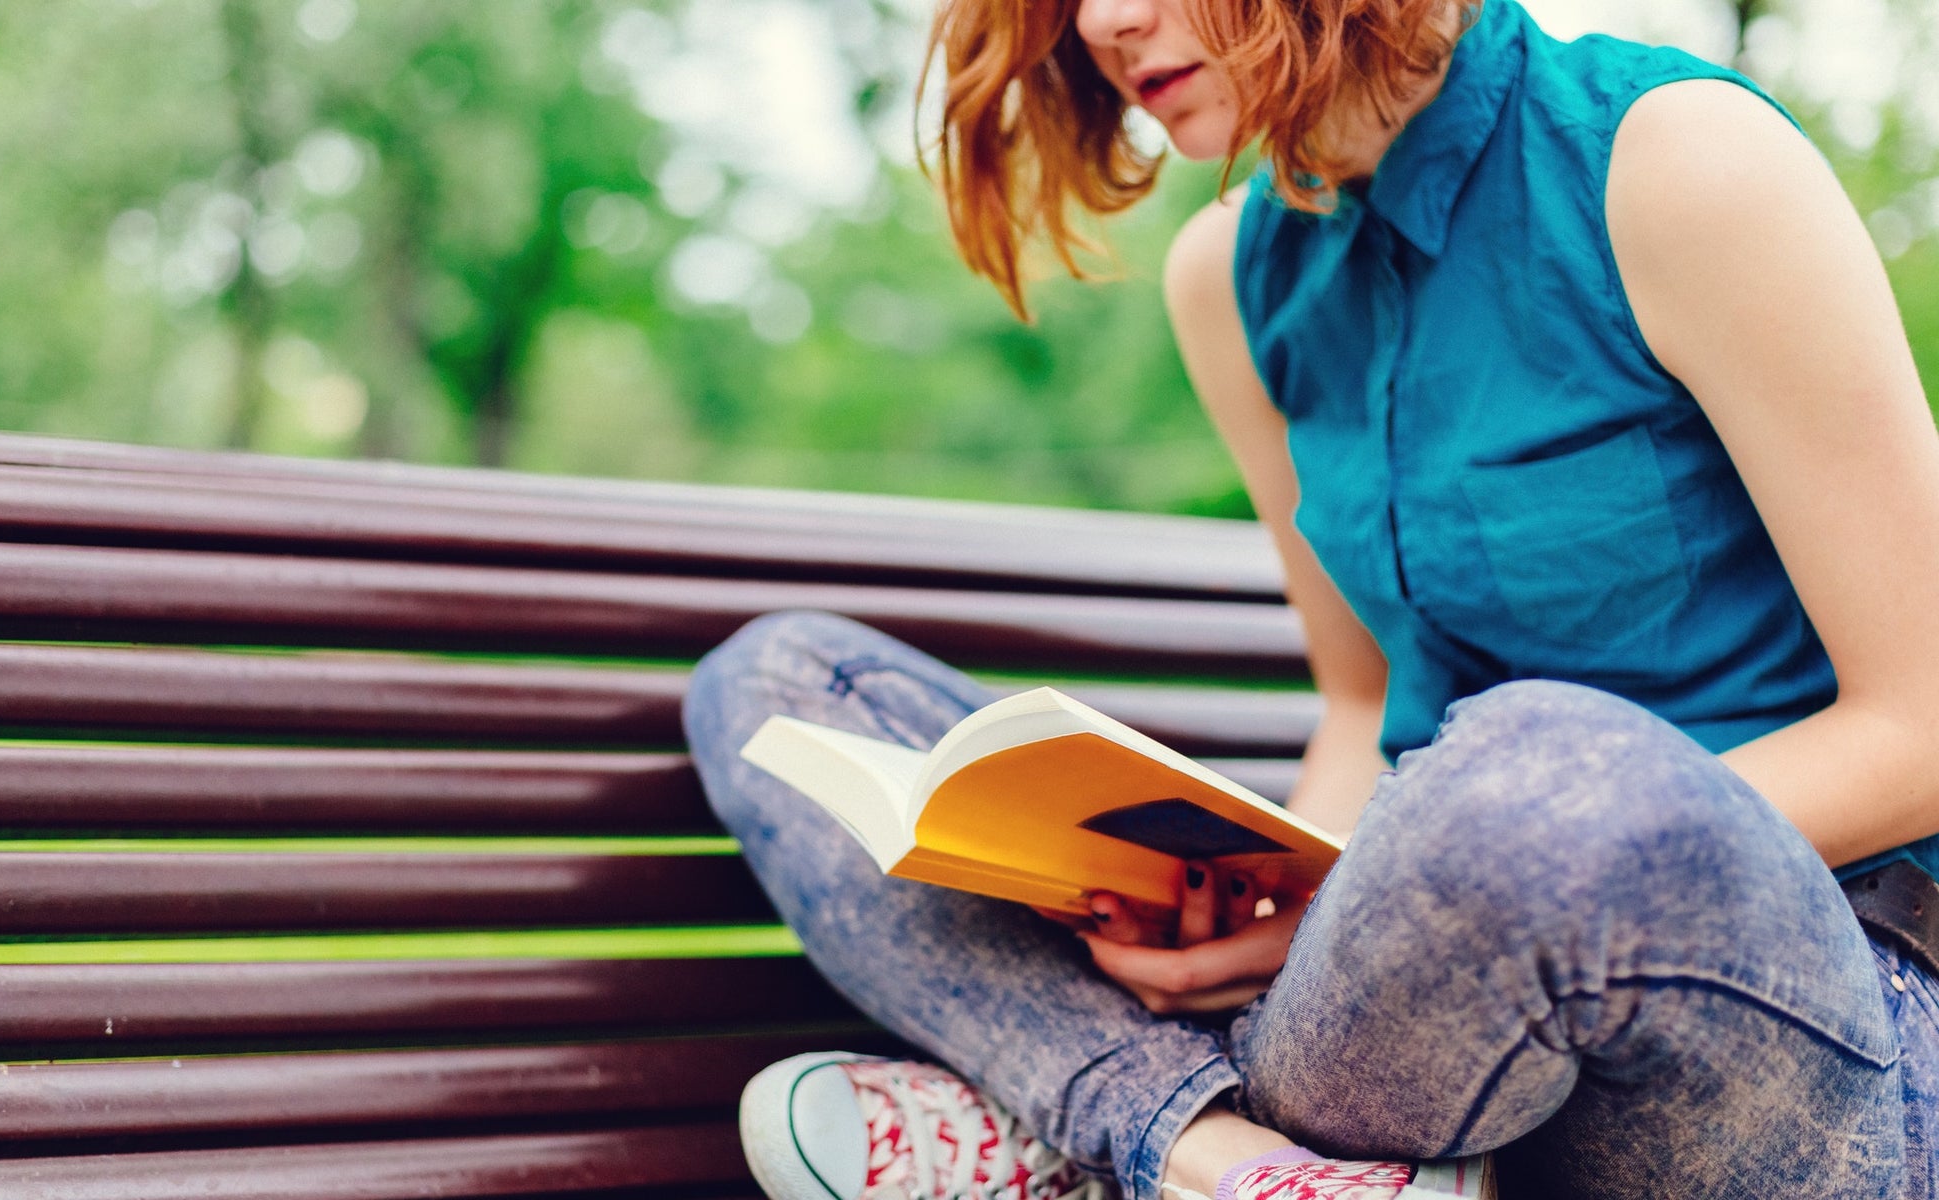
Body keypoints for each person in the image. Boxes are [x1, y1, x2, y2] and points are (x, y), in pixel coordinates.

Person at [683, 0, 1939, 1195]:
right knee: (777, 693)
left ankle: (1079, 1144)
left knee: (1536, 771)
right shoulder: (1227, 276)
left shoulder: (1675, 162)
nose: (1105, 22)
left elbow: (1923, 728)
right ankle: (1207, 1158)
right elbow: (1362, 703)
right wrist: (1257, 903)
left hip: (1808, 1007)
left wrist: (1409, 898)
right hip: (1403, 1014)